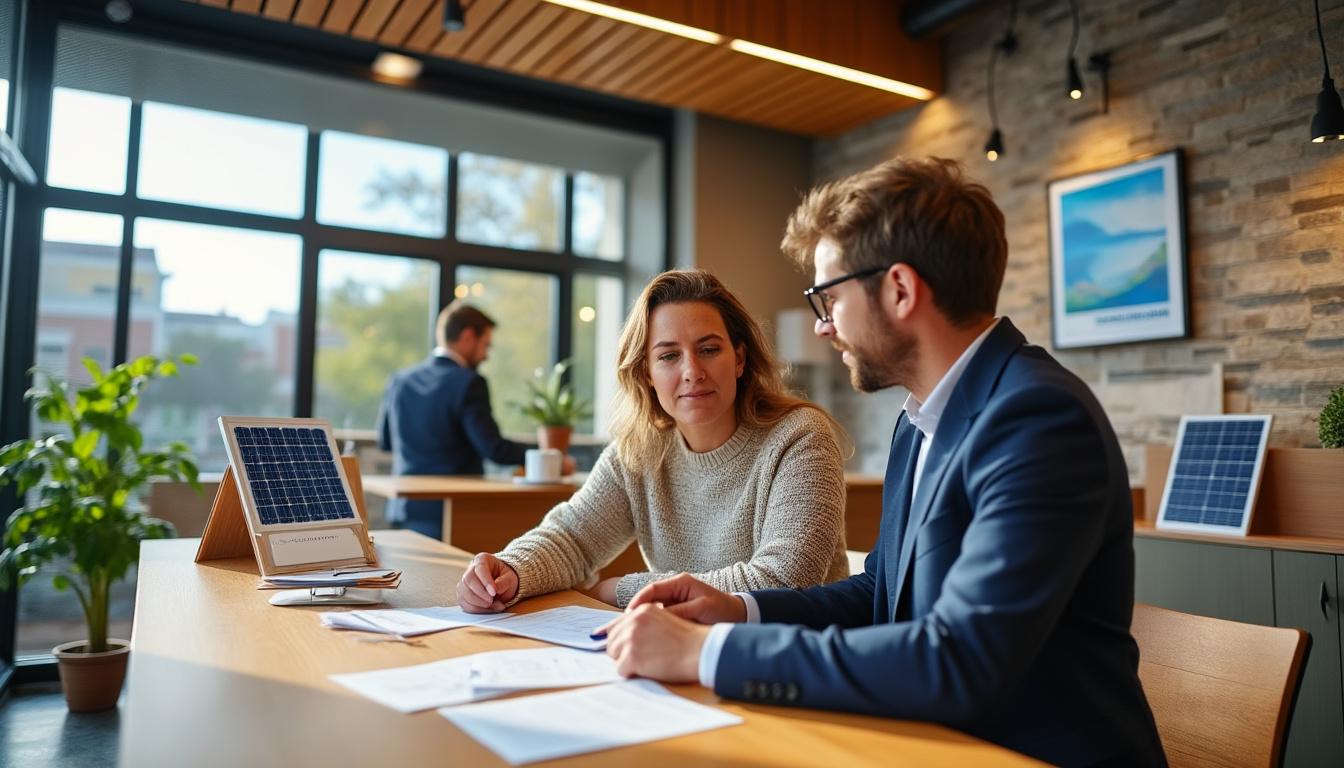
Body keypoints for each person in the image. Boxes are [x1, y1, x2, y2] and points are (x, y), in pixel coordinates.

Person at [597, 159, 1167, 767]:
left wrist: (704, 654)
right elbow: (882, 593)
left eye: (829, 298)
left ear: (899, 289)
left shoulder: (1039, 419)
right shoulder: (920, 418)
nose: (822, 328)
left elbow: (958, 657)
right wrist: (734, 609)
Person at [455, 269, 850, 612]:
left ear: (740, 359)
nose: (692, 371)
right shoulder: (639, 451)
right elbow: (573, 537)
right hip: (678, 653)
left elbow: (782, 582)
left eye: (709, 349)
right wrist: (509, 571)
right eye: (668, 356)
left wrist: (620, 590)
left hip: (790, 661)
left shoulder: (799, 437)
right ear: (646, 373)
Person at [377, 302, 536, 540]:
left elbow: (386, 442)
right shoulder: (468, 382)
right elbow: (493, 448)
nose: (486, 355)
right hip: (454, 514)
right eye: (486, 345)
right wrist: (545, 456)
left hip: (404, 509)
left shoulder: (400, 380)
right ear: (468, 336)